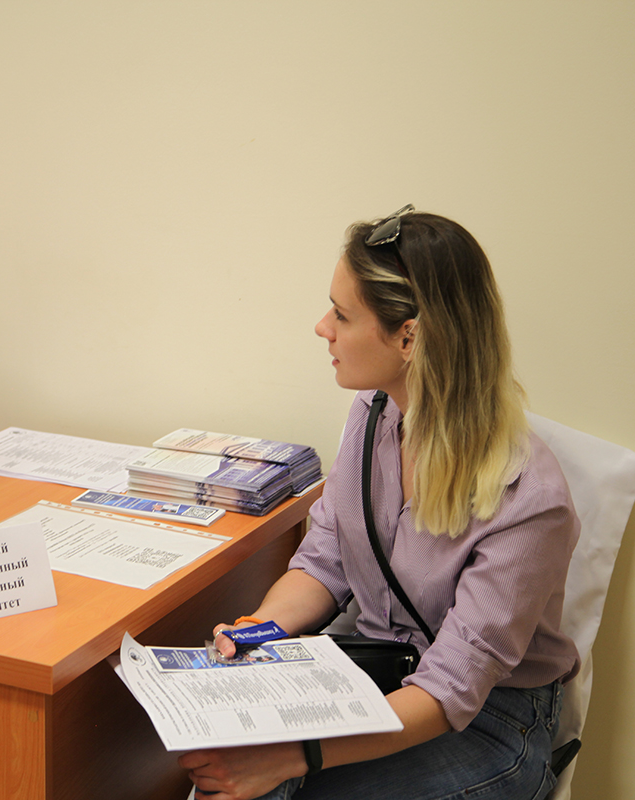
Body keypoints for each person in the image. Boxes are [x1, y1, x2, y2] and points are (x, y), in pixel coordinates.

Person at [179, 206, 581, 800]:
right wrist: (262, 629)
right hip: (376, 672)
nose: (322, 327)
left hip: (488, 719)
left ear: (409, 337)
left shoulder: (527, 497)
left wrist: (293, 758)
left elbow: (450, 688)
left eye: (342, 315)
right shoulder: (372, 416)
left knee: (285, 787)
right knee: (231, 762)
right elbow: (326, 558)